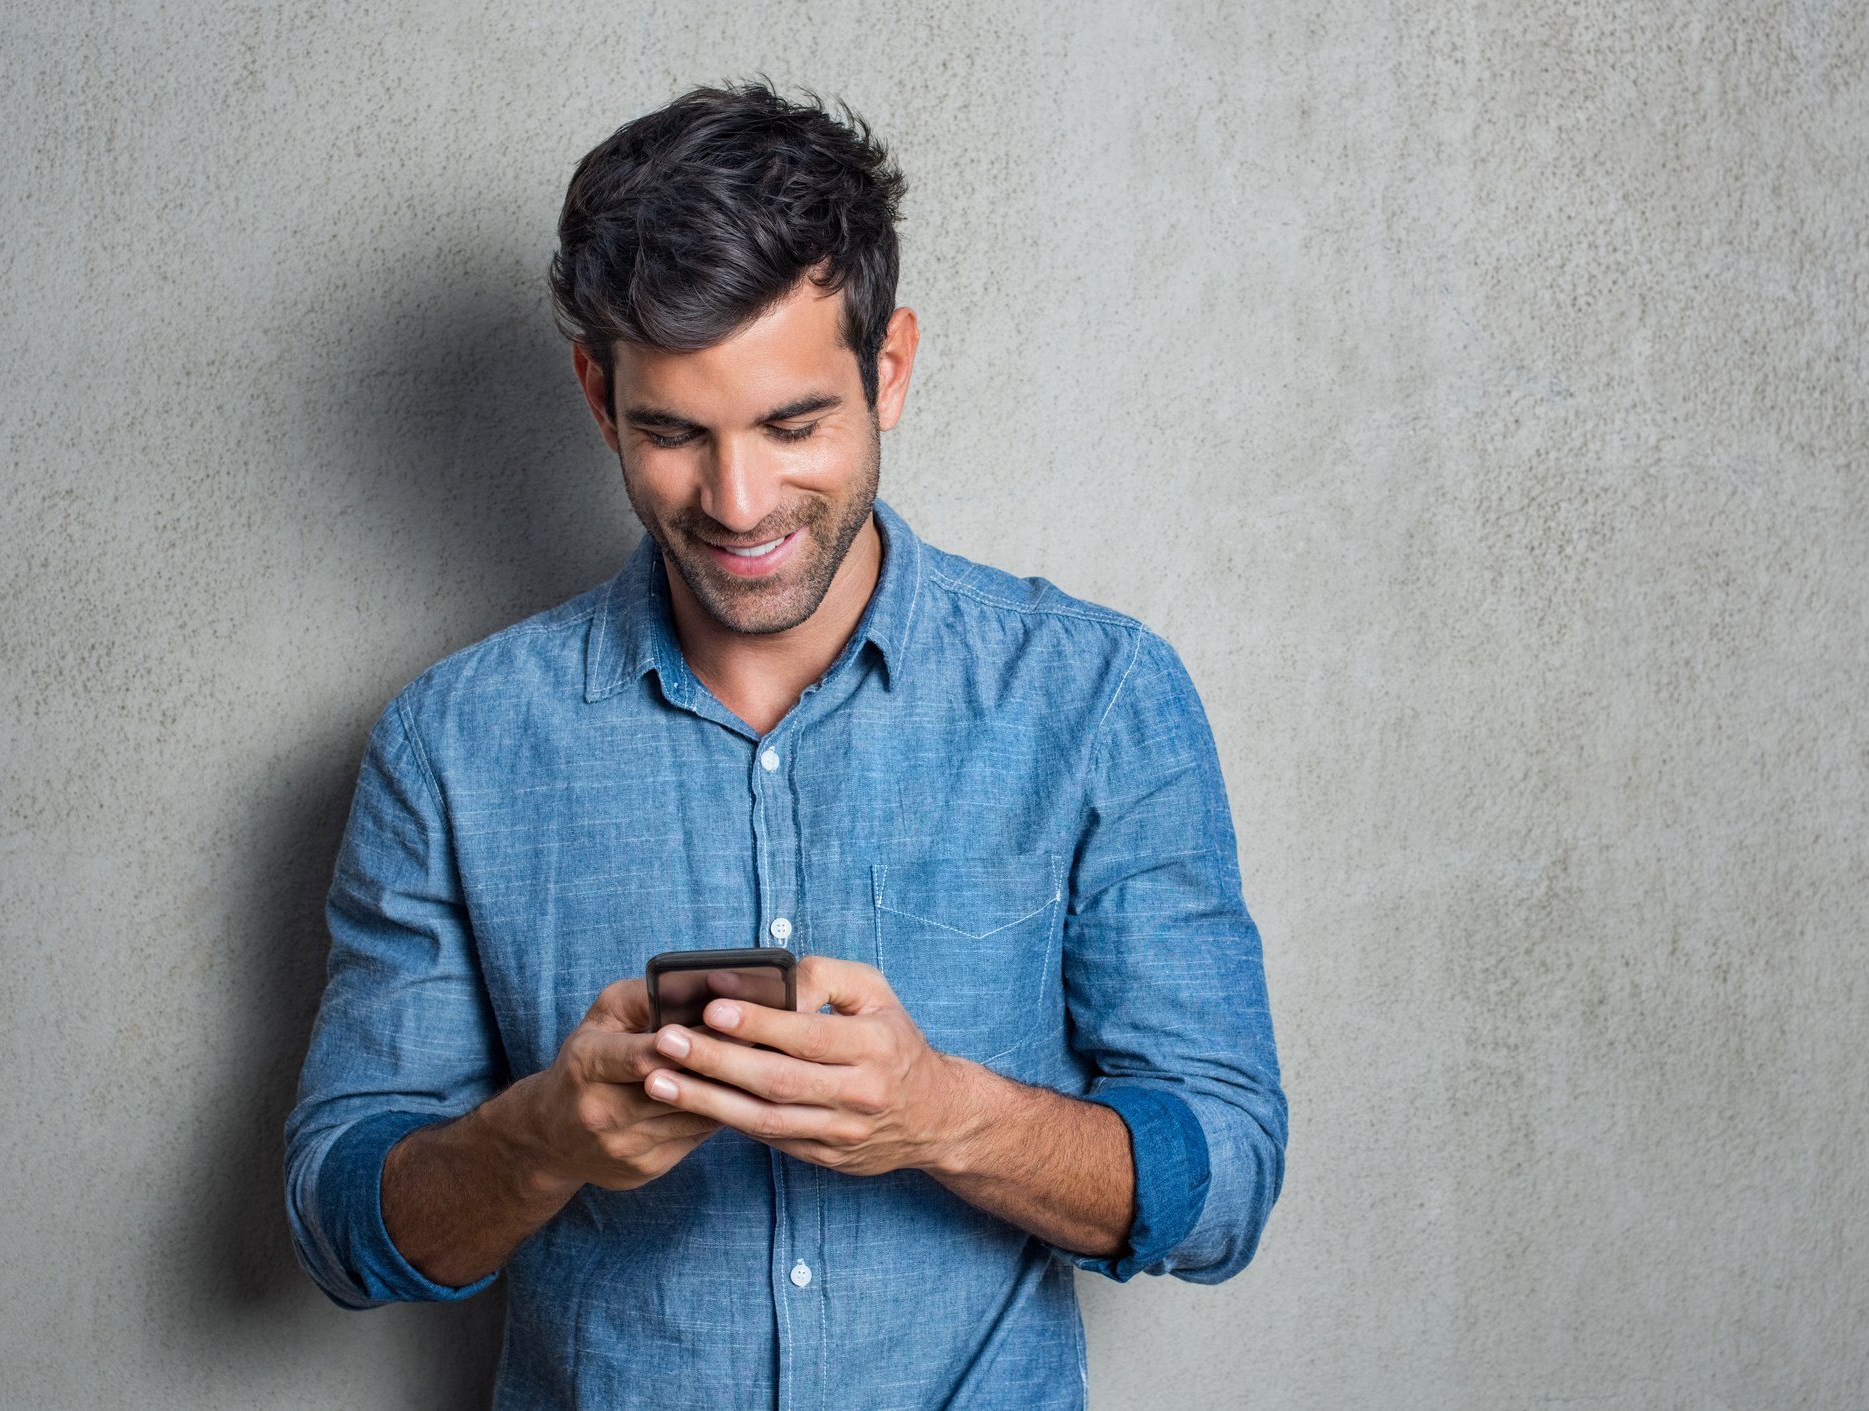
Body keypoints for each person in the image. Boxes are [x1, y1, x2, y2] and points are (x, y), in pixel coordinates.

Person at [285, 81, 1286, 1411]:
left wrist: (945, 1116)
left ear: (890, 370)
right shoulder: (450, 745)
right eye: (672, 433)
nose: (738, 500)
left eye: (793, 424)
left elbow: (1224, 1182)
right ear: (598, 396)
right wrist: (540, 1142)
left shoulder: (1097, 699)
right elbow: (341, 1227)